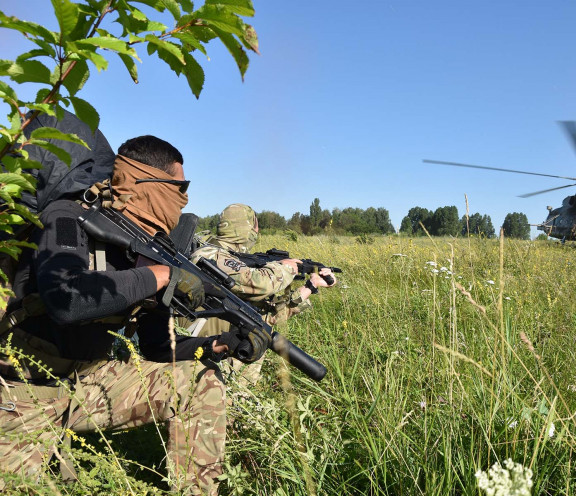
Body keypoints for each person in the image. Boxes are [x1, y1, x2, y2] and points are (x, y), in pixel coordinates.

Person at [0, 136, 260, 494]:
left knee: (200, 381)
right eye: (179, 188)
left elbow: (156, 348)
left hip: (91, 380)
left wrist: (218, 344)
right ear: (149, 183)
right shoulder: (67, 217)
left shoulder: (150, 250)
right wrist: (160, 276)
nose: (183, 200)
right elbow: (66, 299)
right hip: (23, 389)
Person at [184, 203, 336, 383]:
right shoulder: (209, 255)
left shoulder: (235, 263)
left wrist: (310, 287)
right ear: (247, 229)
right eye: (256, 227)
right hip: (196, 364)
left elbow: (266, 318)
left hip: (219, 367)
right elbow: (260, 283)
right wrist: (285, 268)